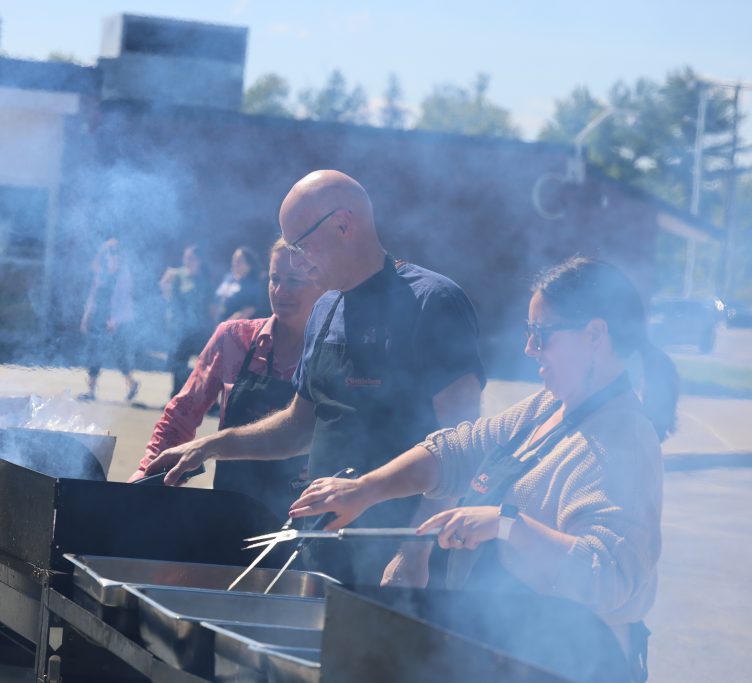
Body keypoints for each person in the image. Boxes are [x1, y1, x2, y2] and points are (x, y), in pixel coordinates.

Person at [289, 256, 678, 681]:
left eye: (541, 335)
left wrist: (507, 524)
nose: (529, 348)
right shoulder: (547, 408)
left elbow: (613, 577)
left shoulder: (623, 439)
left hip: (567, 665)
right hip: (504, 656)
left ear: (595, 334)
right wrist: (366, 490)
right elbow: (456, 449)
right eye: (529, 333)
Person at [146, 170, 485, 585]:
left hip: (399, 557)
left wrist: (414, 550)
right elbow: (297, 427)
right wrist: (211, 446)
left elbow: (464, 443)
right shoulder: (325, 309)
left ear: (344, 223)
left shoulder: (433, 302)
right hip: (322, 551)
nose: (297, 260)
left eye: (300, 245)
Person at [128, 240, 325, 520]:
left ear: (324, 284)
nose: (281, 291)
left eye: (294, 281)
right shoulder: (234, 338)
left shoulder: (334, 349)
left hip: (303, 515)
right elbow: (182, 413)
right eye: (274, 279)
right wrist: (146, 471)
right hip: (229, 506)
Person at [78, 238, 139, 402]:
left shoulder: (124, 274)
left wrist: (115, 320)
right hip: (99, 317)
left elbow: (125, 301)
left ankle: (132, 384)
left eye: (115, 253)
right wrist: (86, 316)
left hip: (117, 321)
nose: (112, 256)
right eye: (109, 253)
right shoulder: (101, 272)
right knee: (94, 353)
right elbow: (93, 295)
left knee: (119, 355)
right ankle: (90, 392)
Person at [161, 244, 215, 397]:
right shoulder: (177, 275)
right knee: (178, 364)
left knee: (207, 366)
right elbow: (166, 294)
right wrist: (165, 281)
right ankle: (176, 398)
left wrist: (213, 328)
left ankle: (209, 400)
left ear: (199, 261)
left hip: (200, 329)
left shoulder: (205, 280)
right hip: (180, 329)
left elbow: (210, 306)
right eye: (186, 258)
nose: (187, 261)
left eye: (191, 258)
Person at [216, 246, 271, 321]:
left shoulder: (253, 283)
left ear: (249, 265)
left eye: (239, 260)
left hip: (235, 328)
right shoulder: (228, 278)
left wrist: (225, 326)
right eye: (234, 259)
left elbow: (248, 310)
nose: (234, 263)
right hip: (219, 325)